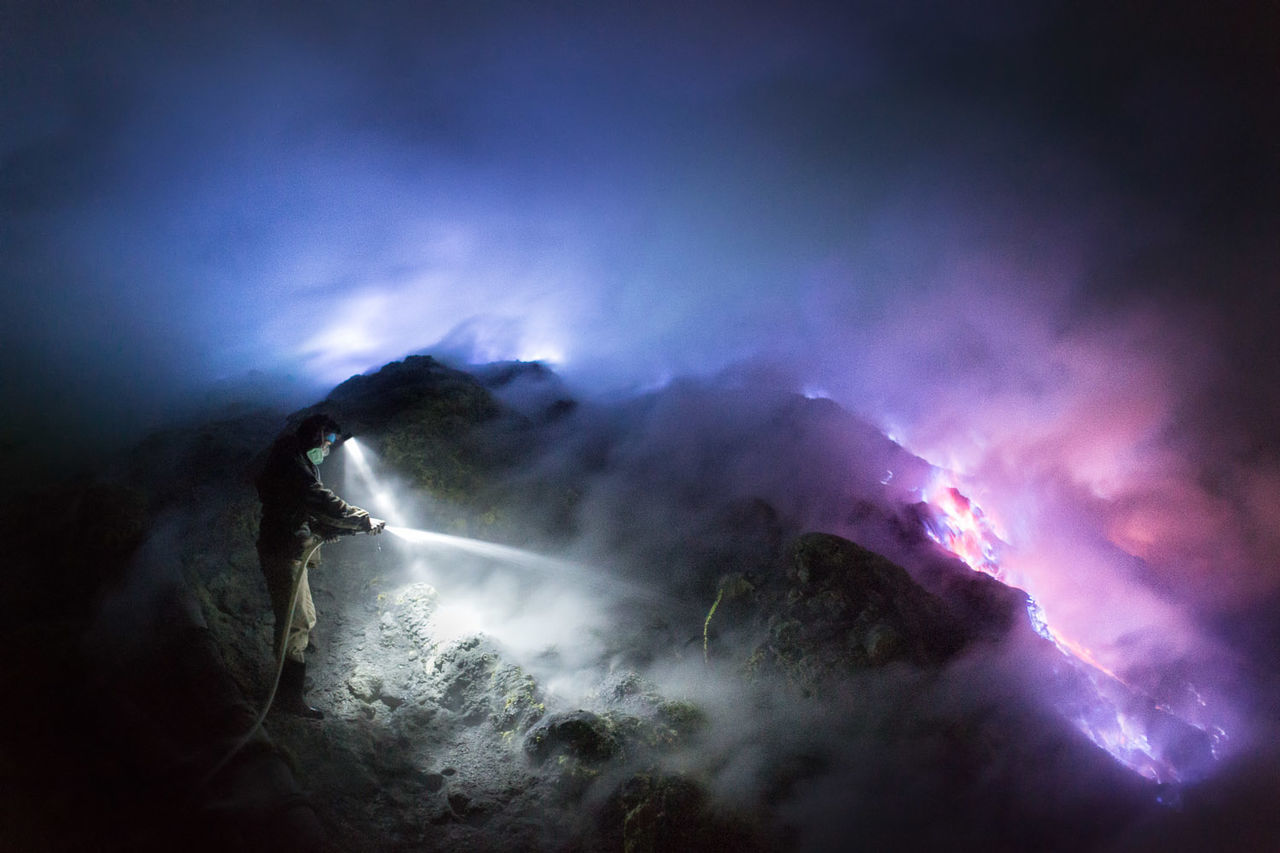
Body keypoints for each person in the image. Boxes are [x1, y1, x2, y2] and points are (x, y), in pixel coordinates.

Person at [255, 413, 385, 718]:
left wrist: (346, 527)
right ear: (316, 437)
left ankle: (288, 692)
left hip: (288, 547)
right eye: (327, 443)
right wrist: (361, 520)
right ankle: (287, 699)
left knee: (303, 619)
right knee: (295, 623)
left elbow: (307, 511)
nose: (327, 450)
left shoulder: (295, 458)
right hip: (282, 551)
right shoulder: (292, 464)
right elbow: (317, 499)